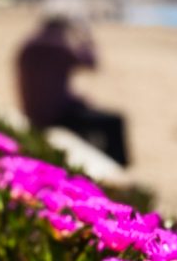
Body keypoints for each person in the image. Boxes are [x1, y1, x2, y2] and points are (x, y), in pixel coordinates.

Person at [16, 16, 131, 167]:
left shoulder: (28, 45)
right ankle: (116, 165)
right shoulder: (58, 47)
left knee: (89, 113)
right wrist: (86, 37)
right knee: (114, 121)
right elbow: (92, 62)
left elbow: (45, 86)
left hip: (33, 112)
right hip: (57, 115)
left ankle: (105, 162)